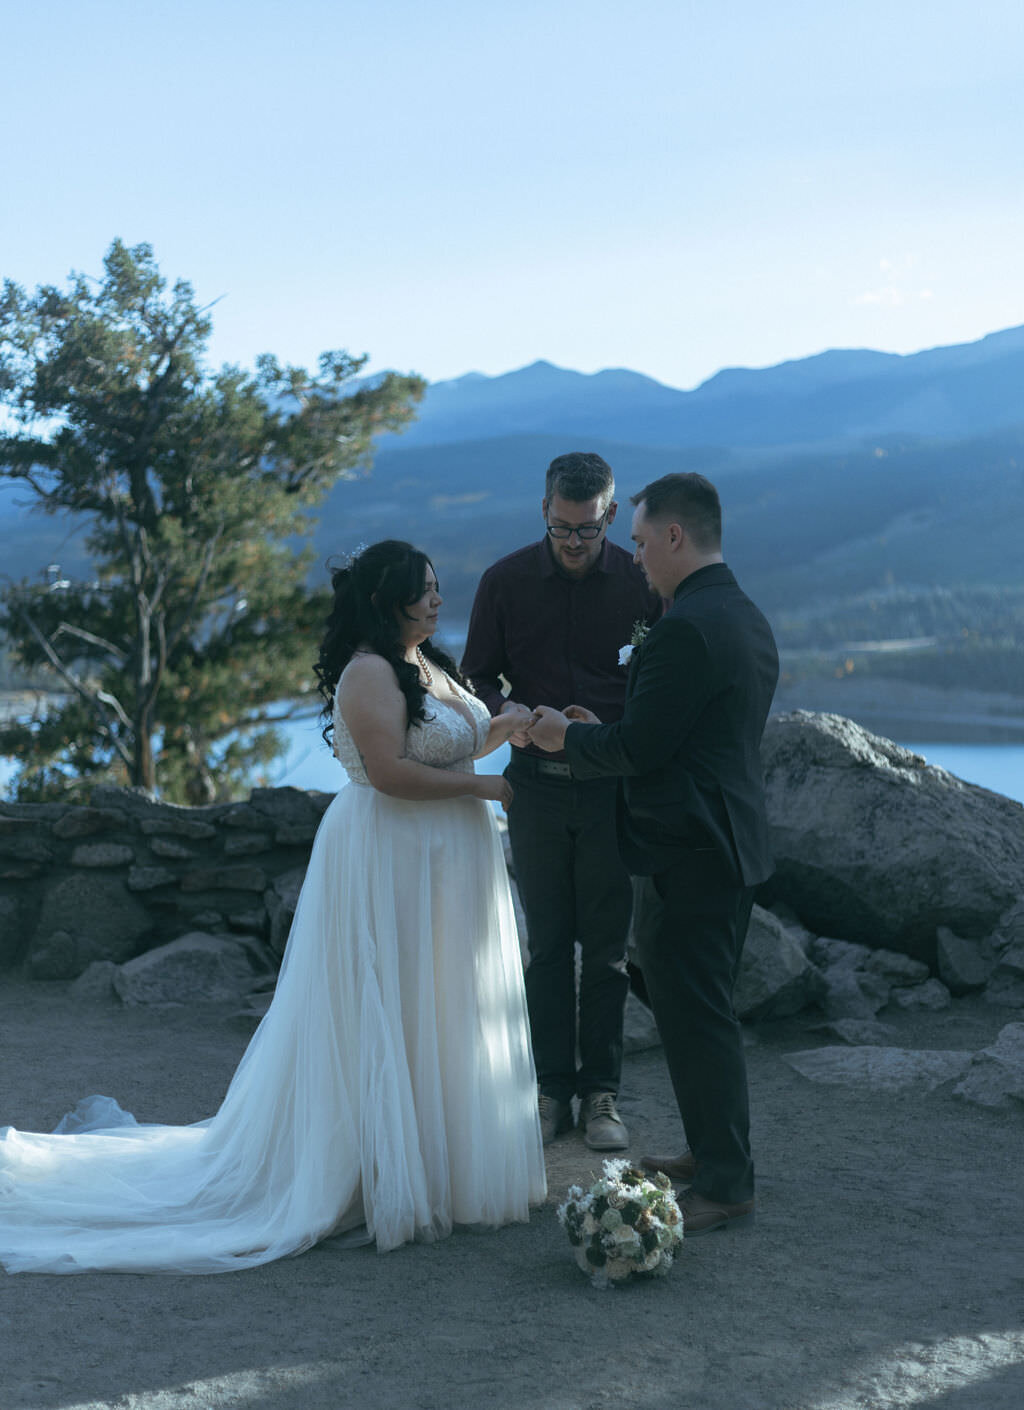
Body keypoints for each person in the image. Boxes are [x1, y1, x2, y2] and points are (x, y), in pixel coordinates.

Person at [0, 541, 546, 1274]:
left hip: (448, 861)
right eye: (425, 591)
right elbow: (388, 772)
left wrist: (518, 726)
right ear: (389, 602)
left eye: (438, 587)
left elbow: (455, 739)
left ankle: (441, 1165)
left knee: (441, 1005)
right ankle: (369, 1173)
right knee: (390, 1004)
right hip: (391, 856)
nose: (438, 600)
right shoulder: (367, 672)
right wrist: (489, 789)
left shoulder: (430, 664)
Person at [528, 473, 779, 1235]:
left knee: (698, 1017)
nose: (634, 558)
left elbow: (641, 748)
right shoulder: (738, 613)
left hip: (691, 851)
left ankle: (728, 1181)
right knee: (694, 1012)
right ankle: (710, 1153)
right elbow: (674, 730)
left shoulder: (685, 628)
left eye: (638, 541)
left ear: (675, 536)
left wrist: (564, 737)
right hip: (724, 840)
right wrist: (602, 720)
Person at [462, 452, 660, 1150]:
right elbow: (474, 676)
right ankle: (550, 1093)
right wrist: (508, 708)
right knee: (545, 949)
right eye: (561, 529)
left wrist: (605, 729)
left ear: (609, 516)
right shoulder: (504, 582)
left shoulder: (643, 583)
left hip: (611, 791)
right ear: (542, 511)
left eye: (587, 530)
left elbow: (663, 677)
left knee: (606, 954)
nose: (574, 543)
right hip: (535, 792)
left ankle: (602, 1096)